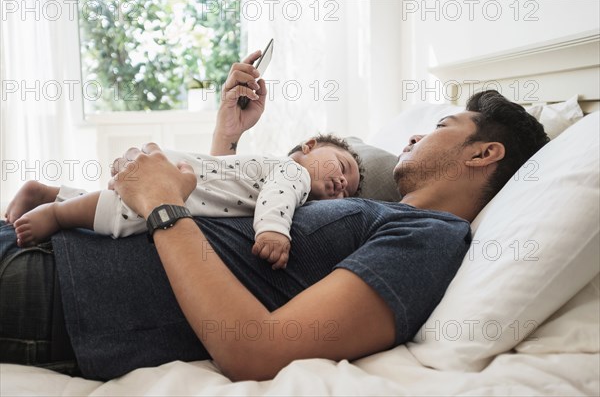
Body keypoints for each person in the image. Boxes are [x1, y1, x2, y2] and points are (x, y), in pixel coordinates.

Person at [0, 50, 549, 381]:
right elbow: (231, 217)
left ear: (483, 154)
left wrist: (163, 206)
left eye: (442, 127)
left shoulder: (430, 237)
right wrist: (228, 138)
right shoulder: (371, 211)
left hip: (58, 289)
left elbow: (255, 348)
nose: (414, 134)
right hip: (52, 252)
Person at [5, 134, 363, 269]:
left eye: (349, 189)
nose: (342, 182)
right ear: (310, 145)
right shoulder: (293, 172)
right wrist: (273, 232)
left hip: (178, 169)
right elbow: (277, 197)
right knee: (126, 214)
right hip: (177, 183)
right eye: (343, 166)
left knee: (118, 199)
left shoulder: (275, 171)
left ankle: (49, 193)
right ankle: (57, 213)